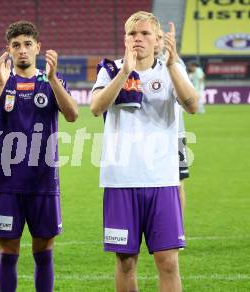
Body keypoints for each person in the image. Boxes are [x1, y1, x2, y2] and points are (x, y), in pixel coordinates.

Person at [90, 11, 198, 292]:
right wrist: (126, 71)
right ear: (125, 39)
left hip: (161, 180)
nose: (138, 38)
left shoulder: (170, 69)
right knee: (126, 261)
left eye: (145, 33)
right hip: (120, 181)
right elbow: (96, 107)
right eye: (132, 34)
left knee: (168, 261)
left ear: (157, 39)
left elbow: (192, 105)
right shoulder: (111, 69)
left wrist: (173, 65)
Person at [0, 21, 78, 292]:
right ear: (8, 49)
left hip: (43, 180)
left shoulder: (51, 81)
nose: (22, 50)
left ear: (38, 48)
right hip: (5, 182)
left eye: (28, 45)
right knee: (8, 248)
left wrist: (54, 79)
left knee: (44, 248)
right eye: (16, 45)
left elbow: (72, 115)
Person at [155, 28, 190, 212]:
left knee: (177, 184)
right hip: (148, 138)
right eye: (156, 37)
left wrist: (173, 60)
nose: (158, 41)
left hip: (176, 136)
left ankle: (178, 229)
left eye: (161, 38)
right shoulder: (133, 65)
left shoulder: (175, 63)